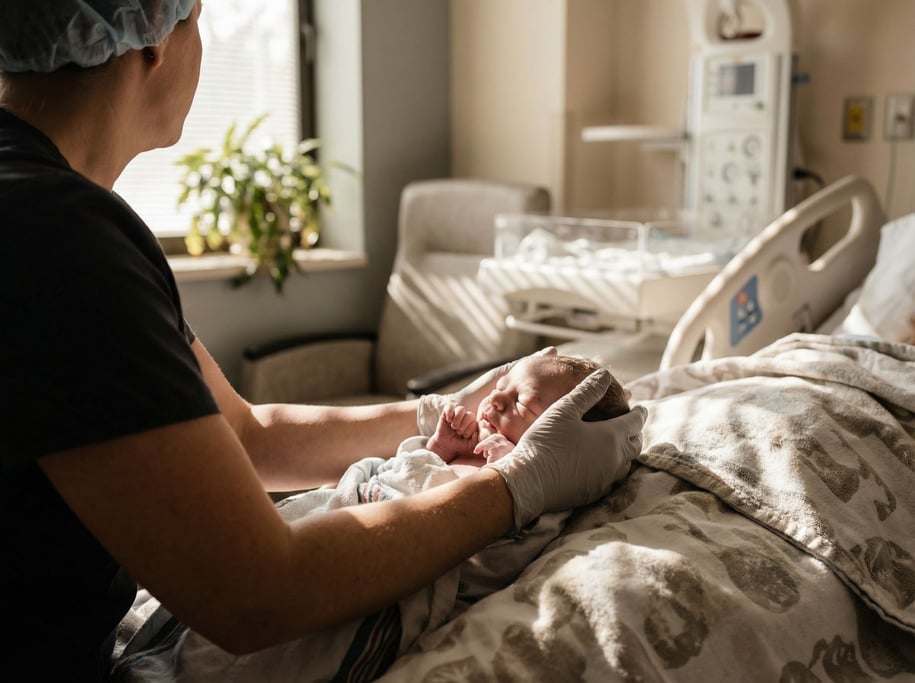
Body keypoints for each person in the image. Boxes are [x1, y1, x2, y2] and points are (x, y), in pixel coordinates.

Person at [0, 2, 647, 680]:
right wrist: (517, 486)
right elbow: (254, 595)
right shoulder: (61, 240)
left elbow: (246, 438)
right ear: (155, 43)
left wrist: (445, 407)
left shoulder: (53, 211)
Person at [115, 351, 635, 681]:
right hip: (337, 530)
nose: (495, 396)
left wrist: (503, 467)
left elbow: (246, 432)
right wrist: (442, 446)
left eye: (521, 397)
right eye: (503, 387)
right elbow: (409, 471)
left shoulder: (529, 469)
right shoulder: (81, 235)